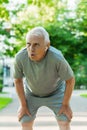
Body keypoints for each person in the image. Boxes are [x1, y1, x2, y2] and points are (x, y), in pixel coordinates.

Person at [14, 26, 75, 130]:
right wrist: (23, 105)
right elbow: (18, 81)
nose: (31, 49)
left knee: (65, 121)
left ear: (47, 46)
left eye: (36, 45)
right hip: (31, 94)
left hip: (56, 93)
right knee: (25, 121)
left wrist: (65, 104)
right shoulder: (20, 57)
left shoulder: (57, 57)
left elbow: (70, 80)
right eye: (28, 44)